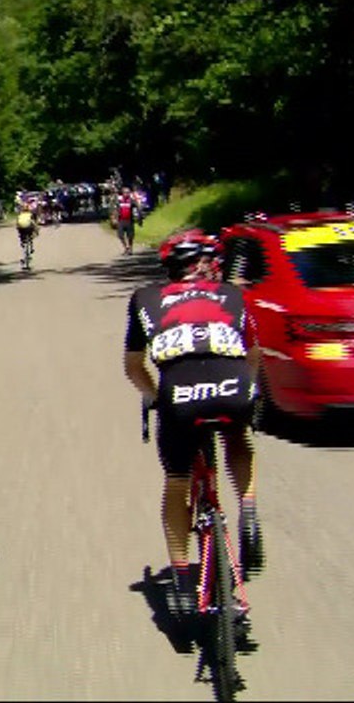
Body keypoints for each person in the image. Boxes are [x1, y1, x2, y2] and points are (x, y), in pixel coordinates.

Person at [122, 230, 264, 616]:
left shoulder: (144, 298)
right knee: (238, 437)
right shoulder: (233, 295)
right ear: (206, 264)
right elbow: (253, 355)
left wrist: (154, 396)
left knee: (177, 480)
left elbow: (133, 366)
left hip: (179, 396)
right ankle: (248, 508)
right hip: (233, 388)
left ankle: (183, 580)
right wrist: (249, 390)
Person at [116, 187, 136, 255]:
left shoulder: (131, 200)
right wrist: (114, 218)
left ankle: (130, 248)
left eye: (128, 192)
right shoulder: (119, 200)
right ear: (122, 193)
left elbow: (137, 208)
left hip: (129, 220)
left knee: (130, 236)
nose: (127, 194)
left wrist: (139, 218)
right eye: (125, 192)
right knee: (120, 235)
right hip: (121, 220)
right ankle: (126, 247)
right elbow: (115, 210)